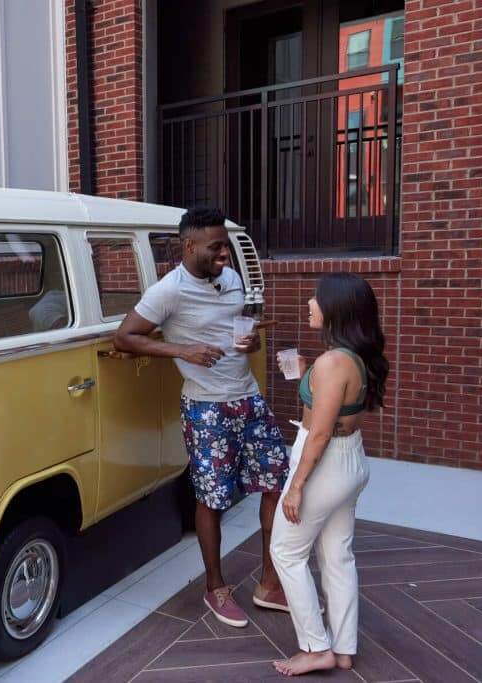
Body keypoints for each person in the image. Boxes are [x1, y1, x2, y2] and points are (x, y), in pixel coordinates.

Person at [115, 207, 289, 628]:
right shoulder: (168, 291)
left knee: (276, 484)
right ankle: (215, 587)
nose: (225, 256)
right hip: (206, 408)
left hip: (248, 398)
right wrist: (182, 350)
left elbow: (235, 327)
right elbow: (124, 336)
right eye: (216, 248)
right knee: (211, 499)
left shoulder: (229, 278)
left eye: (226, 247)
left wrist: (247, 341)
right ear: (189, 246)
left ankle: (268, 581)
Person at [270, 273, 389, 676]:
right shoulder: (352, 356)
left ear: (336, 309)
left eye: (316, 299)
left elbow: (319, 432)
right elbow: (334, 406)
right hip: (351, 460)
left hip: (323, 462)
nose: (308, 303)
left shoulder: (332, 363)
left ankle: (315, 647)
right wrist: (306, 372)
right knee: (338, 556)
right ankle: (343, 647)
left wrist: (297, 486)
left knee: (285, 552)